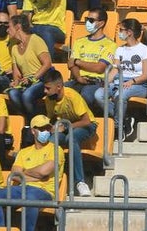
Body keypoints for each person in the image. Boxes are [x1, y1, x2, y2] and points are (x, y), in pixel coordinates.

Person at [0, 114, 58, 231]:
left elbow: (44, 171)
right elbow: (15, 174)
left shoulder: (56, 149)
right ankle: (0, 229)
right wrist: (34, 176)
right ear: (33, 131)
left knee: (30, 198)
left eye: (47, 128)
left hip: (44, 190)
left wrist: (25, 172)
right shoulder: (24, 152)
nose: (45, 131)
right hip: (21, 188)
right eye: (41, 129)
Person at [42, 67, 97, 197]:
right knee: (51, 141)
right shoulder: (49, 100)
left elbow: (86, 121)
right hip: (66, 127)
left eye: (48, 88)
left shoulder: (72, 96)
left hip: (86, 126)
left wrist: (66, 128)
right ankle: (49, 180)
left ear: (59, 87)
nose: (45, 91)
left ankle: (80, 182)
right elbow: (52, 118)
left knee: (70, 139)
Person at [101, 17, 147, 136]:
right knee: (99, 95)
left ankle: (118, 127)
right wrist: (106, 83)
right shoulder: (119, 49)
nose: (119, 32)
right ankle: (125, 119)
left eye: (121, 30)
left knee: (121, 95)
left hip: (139, 84)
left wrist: (132, 82)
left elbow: (146, 75)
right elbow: (115, 70)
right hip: (120, 82)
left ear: (129, 32)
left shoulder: (144, 49)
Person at [8, 14, 53, 117]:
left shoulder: (36, 40)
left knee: (27, 95)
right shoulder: (14, 48)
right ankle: (28, 118)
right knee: (12, 93)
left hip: (41, 79)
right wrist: (15, 83)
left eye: (9, 27)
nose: (7, 30)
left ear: (18, 27)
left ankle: (35, 121)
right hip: (26, 82)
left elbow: (47, 63)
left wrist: (33, 78)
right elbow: (16, 72)